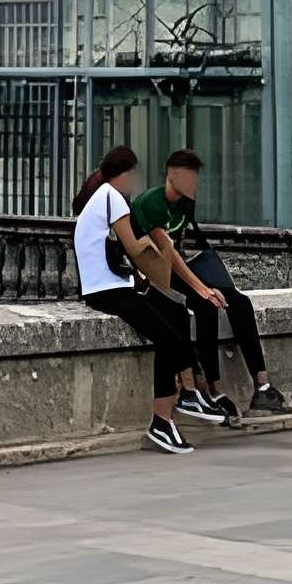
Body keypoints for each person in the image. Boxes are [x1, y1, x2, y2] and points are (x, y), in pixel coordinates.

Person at [133, 149, 292, 424]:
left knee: (239, 302)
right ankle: (212, 387)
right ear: (171, 175)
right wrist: (201, 288)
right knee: (205, 305)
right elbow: (167, 251)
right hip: (156, 271)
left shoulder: (186, 204)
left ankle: (263, 387)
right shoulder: (151, 202)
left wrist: (213, 282)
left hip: (185, 266)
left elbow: (184, 246)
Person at [71, 144, 204, 455]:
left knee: (176, 313)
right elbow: (134, 247)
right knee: (167, 338)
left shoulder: (100, 196)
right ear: (125, 175)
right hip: (107, 290)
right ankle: (162, 419)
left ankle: (189, 390)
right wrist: (163, 257)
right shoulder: (111, 197)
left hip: (108, 285)